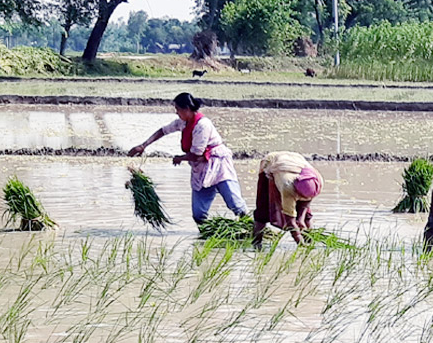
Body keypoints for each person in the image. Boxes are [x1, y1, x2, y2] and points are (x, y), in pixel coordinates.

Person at [128, 92, 248, 224]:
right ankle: (207, 236)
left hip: (218, 166)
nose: (176, 113)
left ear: (187, 109)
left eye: (178, 109)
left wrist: (180, 158)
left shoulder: (202, 125)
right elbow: (163, 131)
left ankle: (251, 229)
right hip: (200, 169)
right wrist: (143, 145)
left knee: (236, 205)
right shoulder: (182, 123)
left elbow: (196, 154)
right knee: (198, 215)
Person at [251, 151, 324, 247]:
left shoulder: (318, 181)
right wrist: (300, 243)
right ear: (296, 192)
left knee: (306, 216)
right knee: (263, 208)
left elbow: (307, 201)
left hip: (295, 161)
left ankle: (310, 241)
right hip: (271, 163)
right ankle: (256, 242)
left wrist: (301, 219)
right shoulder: (288, 187)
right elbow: (290, 221)